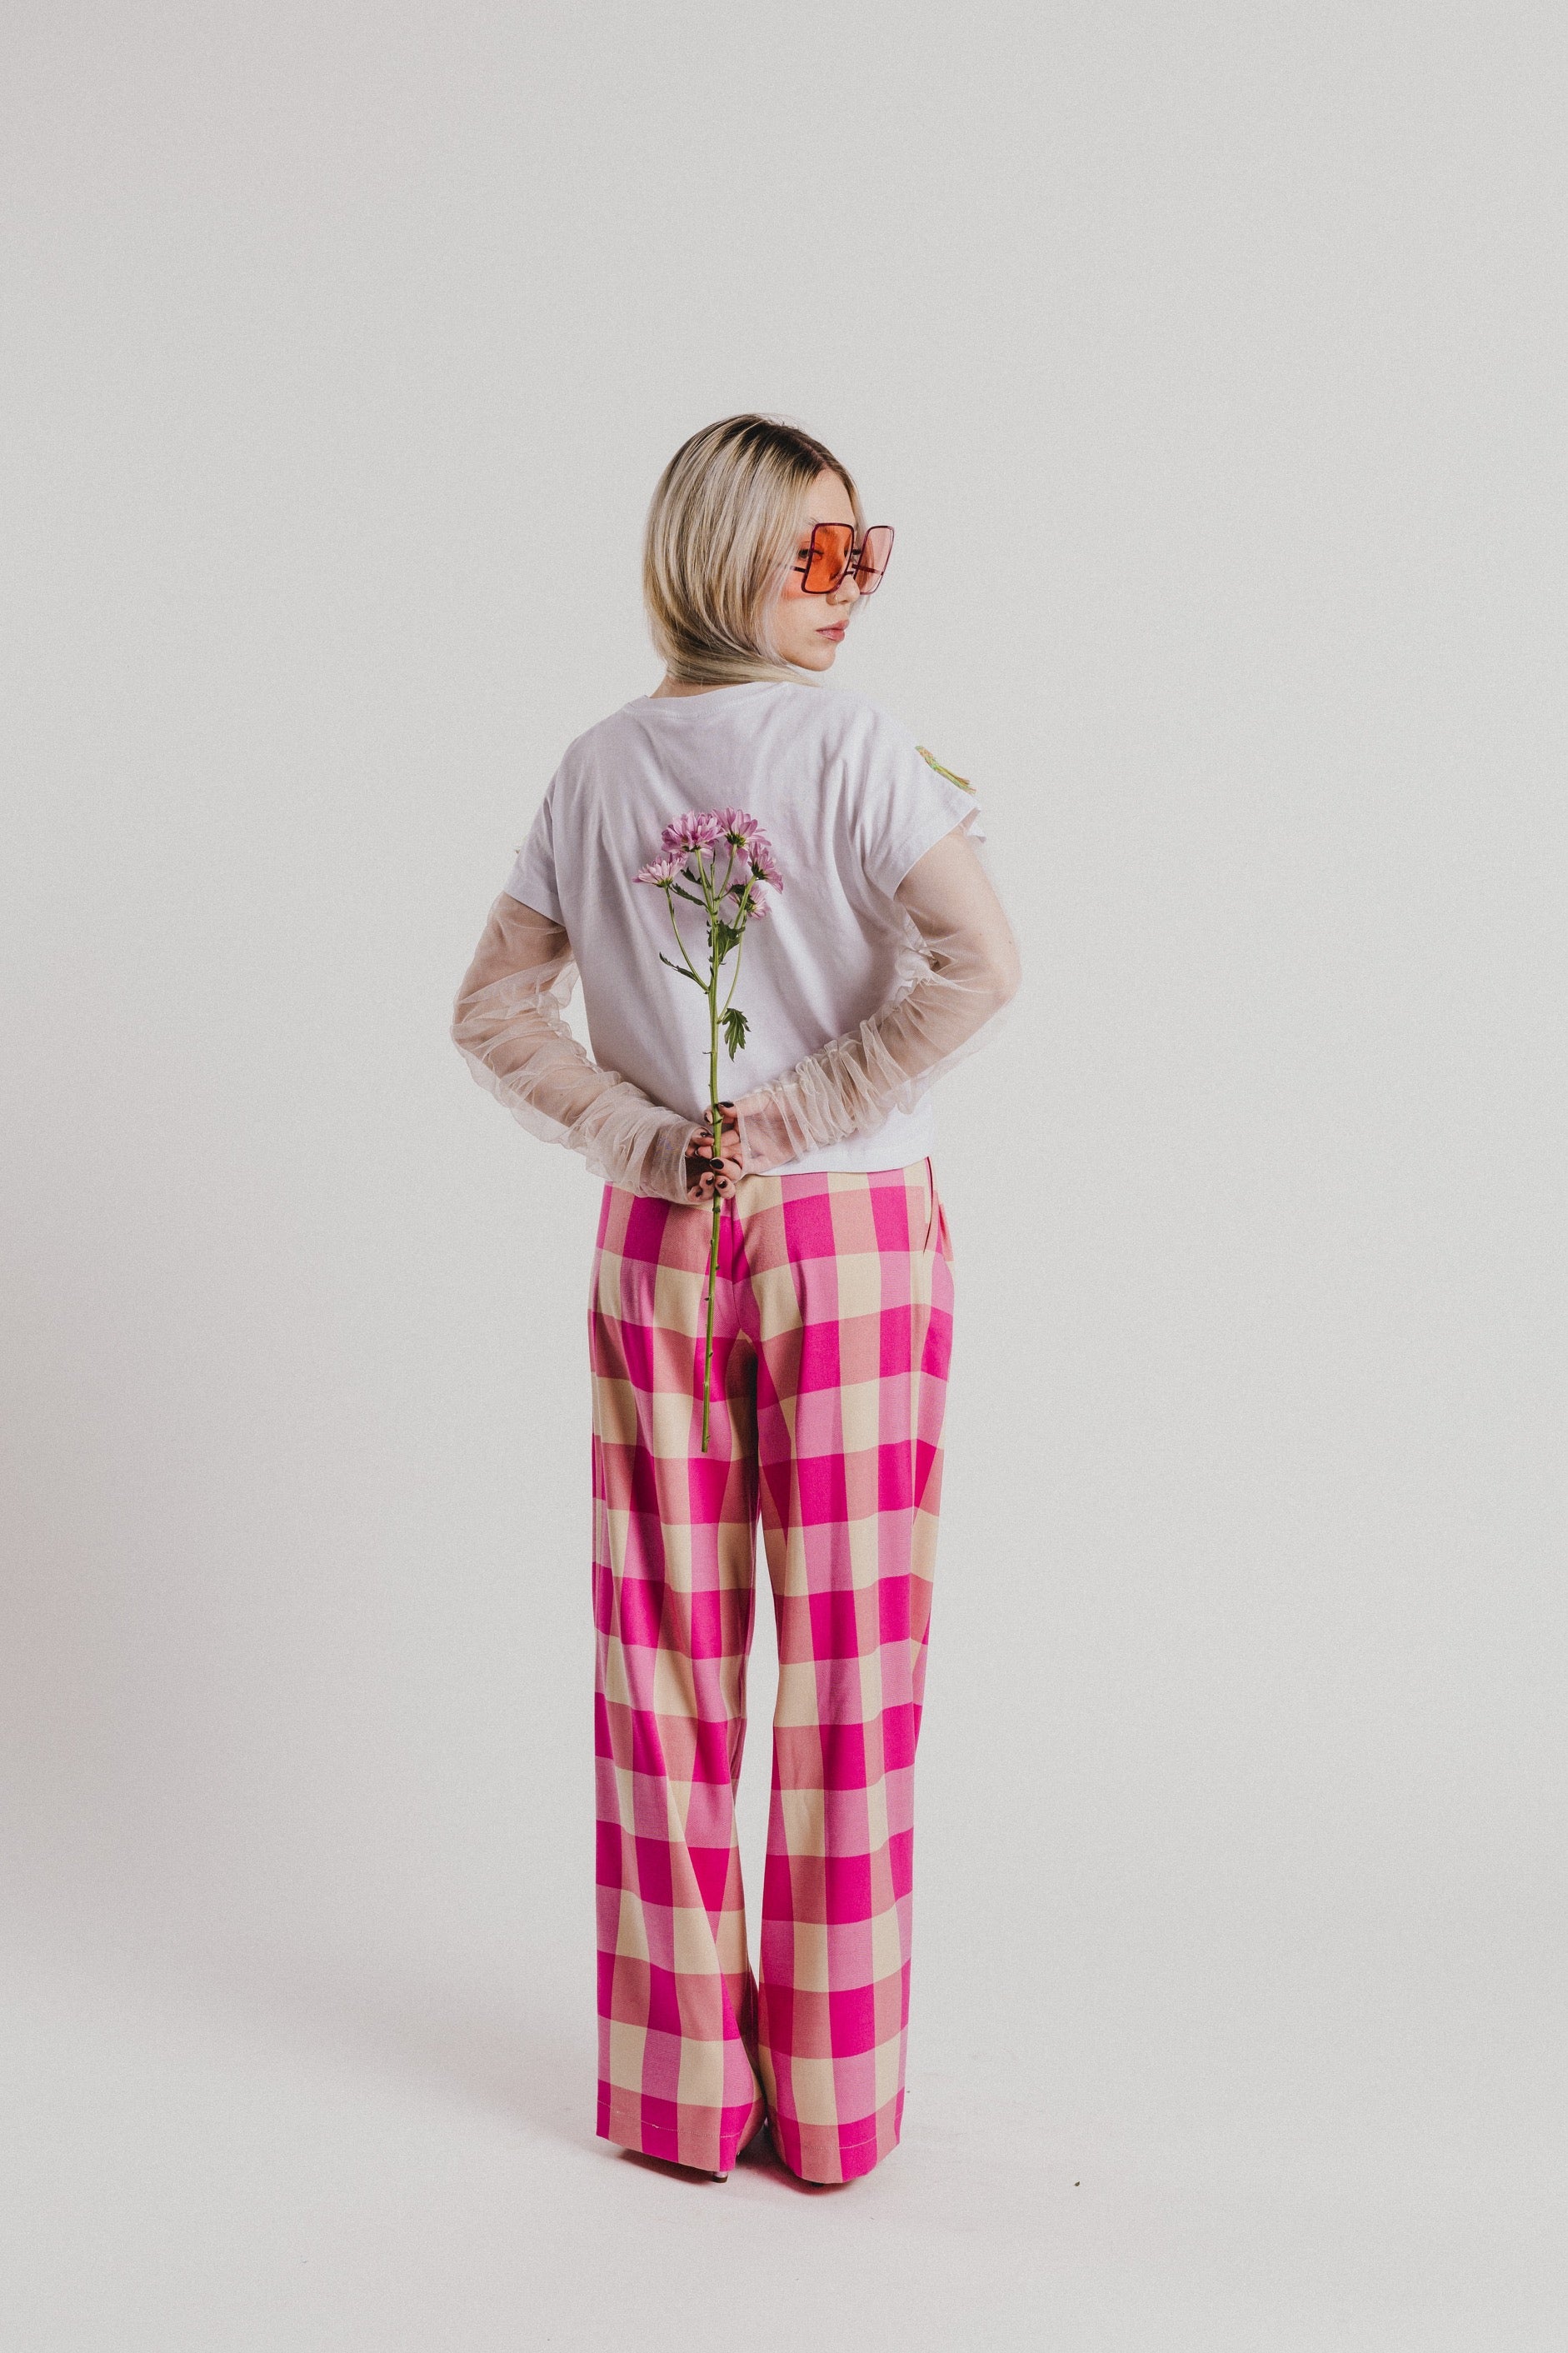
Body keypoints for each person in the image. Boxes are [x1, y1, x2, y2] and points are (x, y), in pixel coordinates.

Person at [450, 413, 1021, 2186]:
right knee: (848, 1660)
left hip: (661, 1238)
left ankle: (683, 2099)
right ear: (722, 557)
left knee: (663, 1653)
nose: (847, 588)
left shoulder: (595, 767)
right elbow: (980, 963)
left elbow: (492, 1009)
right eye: (814, 554)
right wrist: (797, 1116)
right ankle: (832, 2111)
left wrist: (647, 1137)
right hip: (846, 1233)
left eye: (863, 553)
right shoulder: (856, 744)